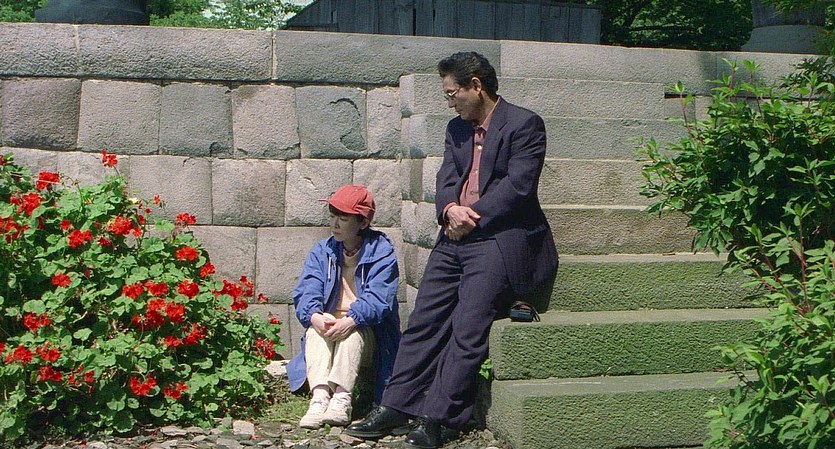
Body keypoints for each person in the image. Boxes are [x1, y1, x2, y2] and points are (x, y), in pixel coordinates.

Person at [345, 52, 558, 448]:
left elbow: (518, 187)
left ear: (475, 85)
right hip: (454, 234)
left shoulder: (524, 124)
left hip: (499, 236)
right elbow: (446, 178)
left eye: (451, 93)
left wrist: (470, 215)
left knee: (468, 326)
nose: (449, 102)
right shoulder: (456, 128)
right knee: (424, 320)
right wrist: (448, 210)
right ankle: (396, 406)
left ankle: (438, 418)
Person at [287, 185, 401, 429]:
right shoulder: (322, 251)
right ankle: (319, 398)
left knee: (352, 333)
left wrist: (350, 320)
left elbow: (378, 299)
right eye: (332, 216)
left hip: (367, 333)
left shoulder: (382, 252)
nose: (335, 224)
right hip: (330, 327)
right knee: (315, 331)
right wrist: (315, 316)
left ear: (363, 223)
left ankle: (342, 398)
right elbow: (307, 290)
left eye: (343, 218)